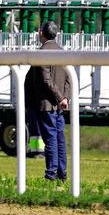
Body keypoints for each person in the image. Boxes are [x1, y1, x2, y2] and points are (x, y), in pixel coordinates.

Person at [23, 21, 70, 182]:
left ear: (41, 33)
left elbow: (46, 80)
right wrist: (65, 99)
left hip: (46, 104)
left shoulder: (42, 52)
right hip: (60, 105)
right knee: (59, 139)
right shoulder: (62, 51)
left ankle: (51, 174)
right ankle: (62, 174)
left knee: (50, 140)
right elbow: (69, 79)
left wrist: (58, 98)